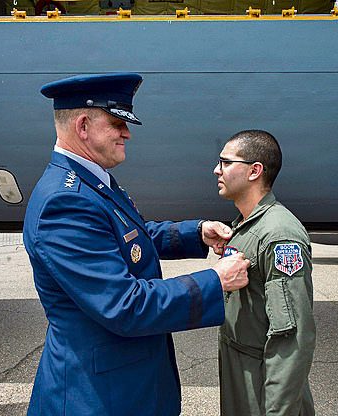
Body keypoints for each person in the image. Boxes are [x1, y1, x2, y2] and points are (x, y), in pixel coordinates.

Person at [23, 73, 251, 416]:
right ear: (83, 126)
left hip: (126, 381)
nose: (127, 133)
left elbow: (129, 237)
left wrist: (196, 233)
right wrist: (215, 281)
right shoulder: (65, 202)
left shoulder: (91, 181)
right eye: (117, 123)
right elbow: (123, 305)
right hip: (100, 396)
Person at [214, 130, 316, 416]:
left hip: (260, 381)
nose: (216, 170)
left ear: (254, 171)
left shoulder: (279, 235)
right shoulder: (247, 226)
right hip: (240, 371)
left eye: (225, 162)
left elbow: (292, 338)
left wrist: (278, 410)